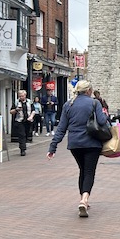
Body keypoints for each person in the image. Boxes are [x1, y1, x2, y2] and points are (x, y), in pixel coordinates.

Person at [47, 80, 108, 218]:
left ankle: (83, 199)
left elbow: (61, 128)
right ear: (88, 91)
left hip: (75, 144)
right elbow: (102, 121)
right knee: (89, 171)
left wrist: (53, 147)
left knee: (82, 170)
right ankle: (84, 199)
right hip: (92, 143)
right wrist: (105, 115)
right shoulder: (94, 103)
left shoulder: (68, 104)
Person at [9, 89, 35, 156]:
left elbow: (33, 110)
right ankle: (22, 149)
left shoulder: (29, 102)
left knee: (26, 134)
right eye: (20, 96)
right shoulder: (16, 102)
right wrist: (16, 110)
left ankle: (24, 144)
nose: (21, 97)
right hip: (19, 121)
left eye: (22, 96)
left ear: (25, 95)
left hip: (28, 121)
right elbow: (11, 112)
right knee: (21, 135)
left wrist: (31, 117)